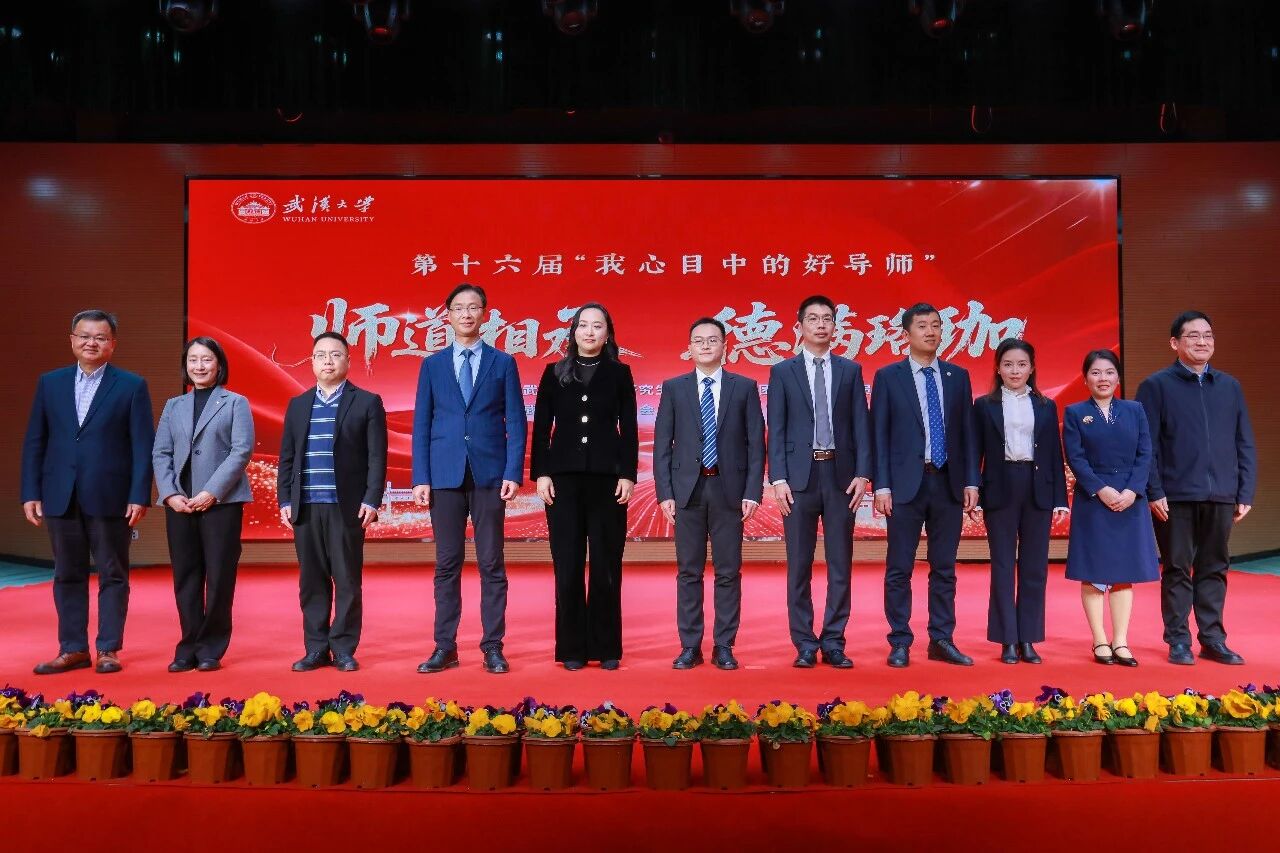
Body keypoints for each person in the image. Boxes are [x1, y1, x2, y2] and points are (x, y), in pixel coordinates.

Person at [21, 309, 154, 675]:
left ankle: (108, 649)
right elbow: (35, 441)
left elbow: (142, 445)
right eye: (84, 336)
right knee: (67, 573)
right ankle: (73, 648)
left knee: (113, 573)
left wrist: (139, 494)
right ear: (72, 340)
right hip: (60, 493)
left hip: (111, 495)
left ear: (113, 344)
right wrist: (31, 491)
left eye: (100, 337)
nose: (91, 343)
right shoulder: (50, 383)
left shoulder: (131, 385)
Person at [412, 284, 526, 675]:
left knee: (492, 562)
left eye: (473, 307)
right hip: (444, 475)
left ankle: (493, 646)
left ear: (484, 314)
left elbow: (516, 421)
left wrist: (513, 472)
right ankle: (444, 647)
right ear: (447, 315)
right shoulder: (432, 366)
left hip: (490, 475)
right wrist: (421, 477)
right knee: (447, 563)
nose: (466, 314)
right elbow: (422, 423)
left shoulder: (503, 363)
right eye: (458, 308)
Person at [1135, 311, 1257, 666]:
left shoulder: (1230, 386)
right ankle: (1178, 640)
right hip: (1174, 496)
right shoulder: (1156, 386)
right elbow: (1146, 445)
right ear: (1175, 343)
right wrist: (1154, 491)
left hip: (1222, 494)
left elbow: (1244, 441)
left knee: (1215, 567)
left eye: (1208, 335)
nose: (1202, 341)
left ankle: (1213, 639)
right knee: (1177, 567)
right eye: (1193, 336)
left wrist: (1245, 490)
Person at [872, 302, 980, 668]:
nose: (931, 331)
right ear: (906, 334)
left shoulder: (957, 376)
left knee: (944, 566)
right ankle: (899, 640)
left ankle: (941, 638)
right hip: (904, 485)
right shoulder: (889, 377)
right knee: (899, 567)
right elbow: (879, 433)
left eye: (936, 325)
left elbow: (967, 433)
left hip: (948, 483)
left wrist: (971, 480)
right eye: (922, 326)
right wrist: (882, 486)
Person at [531, 303, 638, 671]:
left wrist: (627, 474)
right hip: (563, 480)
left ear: (608, 334)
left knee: (607, 563)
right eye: (583, 325)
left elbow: (629, 428)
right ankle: (572, 647)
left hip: (608, 481)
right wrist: (542, 473)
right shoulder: (554, 372)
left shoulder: (620, 373)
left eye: (597, 326)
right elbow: (541, 427)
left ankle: (606, 646)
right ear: (573, 331)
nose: (590, 332)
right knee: (568, 563)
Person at [768, 295, 872, 669]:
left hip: (841, 477)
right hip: (799, 479)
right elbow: (776, 428)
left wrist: (863, 473)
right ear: (799, 327)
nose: (821, 325)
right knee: (799, 564)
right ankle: (804, 643)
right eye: (813, 319)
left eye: (827, 318)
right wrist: (778, 478)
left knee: (840, 564)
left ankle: (834, 641)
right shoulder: (783, 372)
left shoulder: (850, 370)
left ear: (835, 326)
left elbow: (861, 425)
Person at [655, 317, 765, 671]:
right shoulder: (674, 388)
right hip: (687, 491)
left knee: (728, 571)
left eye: (712, 340)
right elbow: (662, 445)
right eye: (698, 340)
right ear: (689, 348)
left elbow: (755, 444)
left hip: (728, 490)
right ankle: (690, 645)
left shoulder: (744, 387)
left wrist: (752, 491)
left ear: (724, 347)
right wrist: (664, 492)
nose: (705, 345)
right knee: (688, 571)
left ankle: (724, 645)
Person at [278, 331, 387, 673]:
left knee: (347, 580)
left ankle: (343, 648)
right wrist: (285, 499)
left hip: (347, 506)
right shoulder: (298, 405)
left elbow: (377, 457)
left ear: (348, 361)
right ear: (312, 362)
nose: (328, 361)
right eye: (321, 355)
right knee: (311, 581)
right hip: (306, 505)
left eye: (335, 354)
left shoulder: (367, 402)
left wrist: (372, 499)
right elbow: (287, 458)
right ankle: (315, 648)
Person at [152, 337, 254, 673]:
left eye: (206, 359)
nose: (199, 366)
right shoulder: (173, 406)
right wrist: (170, 494)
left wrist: (212, 491)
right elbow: (161, 453)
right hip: (180, 504)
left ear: (219, 364)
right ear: (186, 365)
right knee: (186, 576)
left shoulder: (236, 402)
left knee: (220, 576)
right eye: (193, 359)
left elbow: (241, 451)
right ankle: (188, 645)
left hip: (221, 503)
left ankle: (211, 648)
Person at [970, 339, 1068, 665]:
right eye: (1008, 364)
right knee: (1002, 565)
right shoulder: (984, 405)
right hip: (999, 486)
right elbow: (974, 452)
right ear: (998, 368)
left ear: (1032, 368)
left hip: (1037, 486)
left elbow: (1053, 454)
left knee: (1034, 566)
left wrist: (1060, 499)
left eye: (1022, 365)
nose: (1015, 371)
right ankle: (1007, 640)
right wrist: (974, 491)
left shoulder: (1045, 405)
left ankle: (1028, 638)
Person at [1063, 349, 1159, 667]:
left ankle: (1120, 641)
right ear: (1085, 378)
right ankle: (1100, 640)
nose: (1102, 378)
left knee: (1123, 573)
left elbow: (1145, 453)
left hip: (1130, 500)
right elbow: (1075, 458)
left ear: (1118, 377)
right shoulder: (1076, 413)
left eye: (1109, 372)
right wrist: (1101, 489)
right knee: (1093, 571)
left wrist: (1132, 491)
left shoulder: (1135, 410)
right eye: (1095, 372)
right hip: (1094, 500)